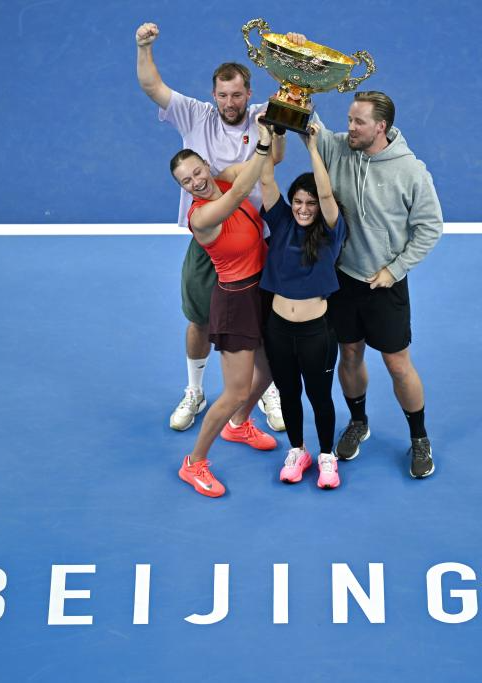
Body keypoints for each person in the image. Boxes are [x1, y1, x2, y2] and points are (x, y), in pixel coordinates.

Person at [135, 21, 285, 434]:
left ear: (248, 93)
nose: (229, 102)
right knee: (199, 320)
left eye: (237, 94)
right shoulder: (195, 115)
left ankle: (265, 389)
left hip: (257, 237)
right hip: (211, 245)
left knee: (261, 320)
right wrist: (144, 47)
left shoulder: (262, 116)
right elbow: (151, 86)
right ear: (213, 94)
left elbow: (277, 155)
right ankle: (195, 390)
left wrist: (293, 64)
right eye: (223, 95)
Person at [312, 90, 444, 479]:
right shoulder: (338, 148)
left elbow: (430, 227)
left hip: (384, 283)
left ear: (380, 127)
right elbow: (303, 120)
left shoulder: (411, 171)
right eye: (349, 120)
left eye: (358, 122)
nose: (350, 127)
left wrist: (396, 268)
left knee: (397, 364)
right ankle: (358, 422)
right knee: (349, 353)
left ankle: (419, 437)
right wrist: (297, 79)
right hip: (343, 279)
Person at [170, 116, 278, 497]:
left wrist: (274, 134)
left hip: (262, 291)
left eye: (197, 172)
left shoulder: (227, 178)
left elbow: (258, 170)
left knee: (269, 371)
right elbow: (239, 193)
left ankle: (239, 425)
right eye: (186, 181)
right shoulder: (201, 217)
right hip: (235, 302)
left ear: (206, 165)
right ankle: (194, 462)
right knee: (234, 391)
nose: (196, 182)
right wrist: (262, 143)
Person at [259, 124, 346, 489]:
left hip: (316, 333)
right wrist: (266, 141)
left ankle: (326, 456)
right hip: (278, 330)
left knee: (319, 396)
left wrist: (312, 148)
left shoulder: (330, 230)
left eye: (310, 203)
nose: (303, 208)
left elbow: (326, 193)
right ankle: (297, 451)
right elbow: (266, 180)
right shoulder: (281, 222)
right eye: (298, 201)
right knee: (289, 394)